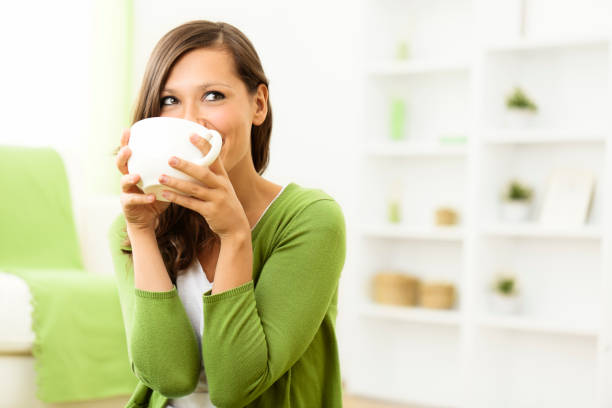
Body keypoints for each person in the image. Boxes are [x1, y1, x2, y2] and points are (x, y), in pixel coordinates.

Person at [108, 20, 347, 408]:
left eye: (213, 95)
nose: (189, 120)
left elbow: (236, 386)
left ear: (258, 105)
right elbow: (169, 376)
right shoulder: (132, 225)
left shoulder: (312, 219)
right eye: (170, 101)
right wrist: (141, 234)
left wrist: (235, 235)